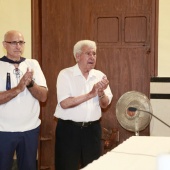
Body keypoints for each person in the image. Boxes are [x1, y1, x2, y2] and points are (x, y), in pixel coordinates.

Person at [54, 40, 113, 170]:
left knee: (93, 167)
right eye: (88, 53)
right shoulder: (65, 74)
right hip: (69, 130)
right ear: (77, 56)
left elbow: (105, 104)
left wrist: (101, 93)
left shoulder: (100, 75)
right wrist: (90, 94)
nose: (92, 57)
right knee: (66, 166)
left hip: (92, 130)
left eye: (94, 53)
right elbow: (64, 103)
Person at [0, 30, 48, 170]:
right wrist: (18, 88)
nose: (18, 46)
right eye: (13, 42)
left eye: (21, 42)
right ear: (4, 44)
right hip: (3, 130)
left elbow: (44, 96)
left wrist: (30, 84)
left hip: (30, 129)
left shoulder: (33, 64)